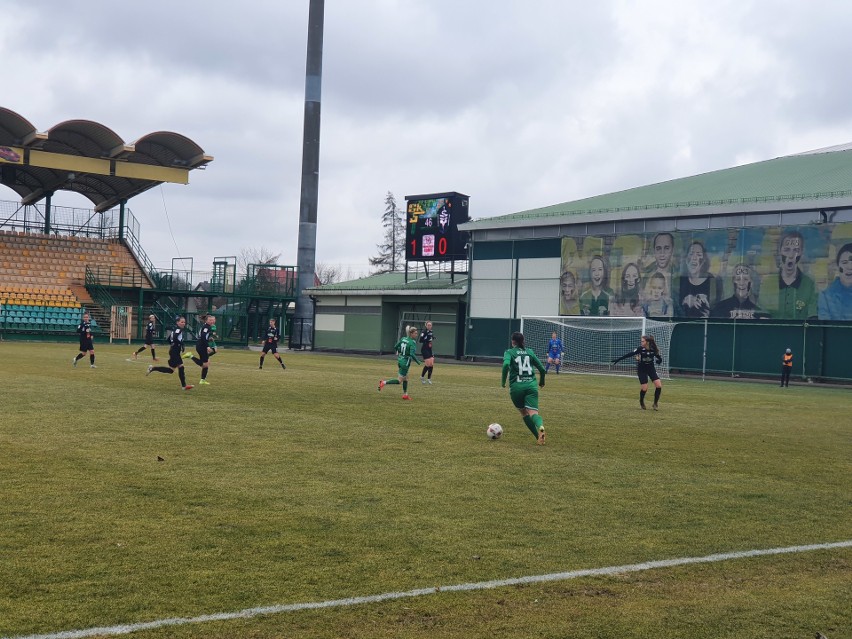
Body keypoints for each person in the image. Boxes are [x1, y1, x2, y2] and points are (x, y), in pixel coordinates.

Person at [501, 331, 547, 444]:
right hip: (531, 386)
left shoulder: (509, 352)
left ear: (513, 341)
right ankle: (540, 426)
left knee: (524, 413)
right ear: (523, 341)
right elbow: (541, 369)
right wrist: (541, 382)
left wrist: (503, 381)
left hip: (517, 388)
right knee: (534, 413)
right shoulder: (530, 352)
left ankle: (537, 436)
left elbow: (506, 365)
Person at [761, 231, 818, 319]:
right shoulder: (768, 283)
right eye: (787, 249)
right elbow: (763, 317)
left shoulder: (809, 284)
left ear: (802, 252)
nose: (791, 255)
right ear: (780, 251)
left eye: (796, 250)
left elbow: (812, 318)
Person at [611, 335, 663, 410]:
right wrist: (618, 359)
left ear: (647, 342)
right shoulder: (640, 349)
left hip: (651, 369)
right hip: (642, 369)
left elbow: (658, 357)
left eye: (643, 341)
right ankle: (641, 402)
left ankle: (655, 403)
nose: (641, 342)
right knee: (644, 388)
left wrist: (659, 360)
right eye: (641, 341)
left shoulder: (653, 349)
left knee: (658, 385)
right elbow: (629, 354)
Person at [146, 316, 193, 390]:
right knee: (181, 366)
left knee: (171, 370)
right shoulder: (178, 330)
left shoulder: (175, 329)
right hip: (174, 351)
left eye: (184, 322)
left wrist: (173, 344)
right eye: (181, 322)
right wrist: (181, 344)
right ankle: (184, 386)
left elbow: (169, 339)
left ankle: (152, 368)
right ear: (177, 322)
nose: (183, 323)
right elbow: (174, 338)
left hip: (174, 350)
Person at [378, 326, 422, 400]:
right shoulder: (412, 342)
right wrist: (418, 361)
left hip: (400, 360)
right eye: (415, 333)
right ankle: (383, 382)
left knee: (405, 378)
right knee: (399, 381)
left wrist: (401, 352)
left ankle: (405, 394)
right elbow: (411, 354)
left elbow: (396, 347)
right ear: (411, 334)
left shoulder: (403, 339)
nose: (416, 334)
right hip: (405, 363)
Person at [678, 240, 719, 318]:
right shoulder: (680, 281)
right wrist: (685, 302)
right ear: (686, 259)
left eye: (698, 254)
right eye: (691, 254)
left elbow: (717, 309)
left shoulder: (713, 281)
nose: (694, 258)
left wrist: (708, 314)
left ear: (703, 260)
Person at [817, 243, 852, 320]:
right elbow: (826, 327)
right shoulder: (826, 297)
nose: (850, 267)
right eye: (845, 262)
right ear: (837, 266)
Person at [643, 232, 678, 302]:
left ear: (672, 250)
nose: (662, 253)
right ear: (654, 251)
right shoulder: (645, 273)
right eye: (658, 248)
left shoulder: (679, 274)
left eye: (666, 248)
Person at [188, 314, 216, 385]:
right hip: (201, 346)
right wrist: (207, 346)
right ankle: (191, 356)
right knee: (205, 364)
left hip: (201, 345)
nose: (211, 321)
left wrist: (209, 339)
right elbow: (203, 336)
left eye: (212, 320)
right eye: (210, 320)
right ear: (206, 321)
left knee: (205, 364)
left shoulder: (208, 326)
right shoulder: (206, 327)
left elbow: (205, 337)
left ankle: (202, 380)